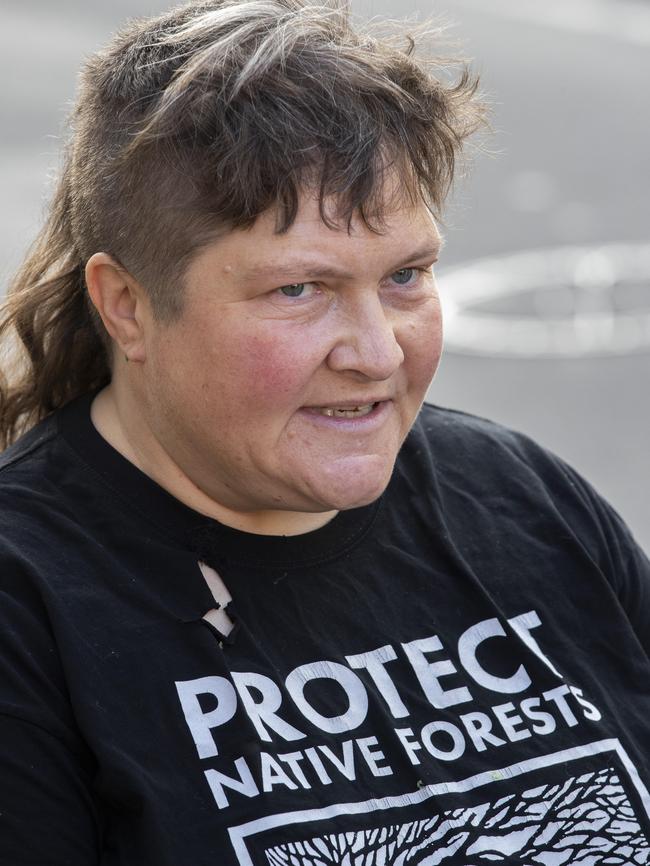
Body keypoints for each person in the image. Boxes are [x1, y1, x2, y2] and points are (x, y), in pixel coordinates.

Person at [1, 1, 649, 863]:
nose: (378, 353)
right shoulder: (27, 608)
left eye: (407, 275)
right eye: (298, 290)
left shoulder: (520, 497)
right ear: (128, 305)